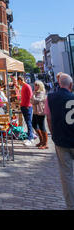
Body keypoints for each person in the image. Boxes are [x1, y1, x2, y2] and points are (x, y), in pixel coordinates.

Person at [45, 73, 74, 210]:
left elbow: (49, 118)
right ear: (71, 85)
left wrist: (53, 133)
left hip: (61, 140)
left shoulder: (50, 98)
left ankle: (71, 205)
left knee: (66, 174)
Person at [31, 80, 47, 149]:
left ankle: (45, 143)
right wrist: (33, 97)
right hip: (35, 111)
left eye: (36, 85)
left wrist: (33, 96)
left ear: (39, 86)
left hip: (40, 112)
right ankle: (41, 140)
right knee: (34, 124)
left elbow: (35, 101)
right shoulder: (35, 93)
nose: (35, 86)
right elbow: (31, 101)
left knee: (42, 126)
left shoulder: (41, 93)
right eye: (34, 85)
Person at [18, 76, 34, 145]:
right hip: (24, 106)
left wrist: (27, 105)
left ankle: (30, 138)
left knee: (28, 122)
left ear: (20, 80)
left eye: (18, 82)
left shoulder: (27, 86)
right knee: (28, 122)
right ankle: (31, 136)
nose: (19, 83)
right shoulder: (23, 87)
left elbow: (30, 96)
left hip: (27, 107)